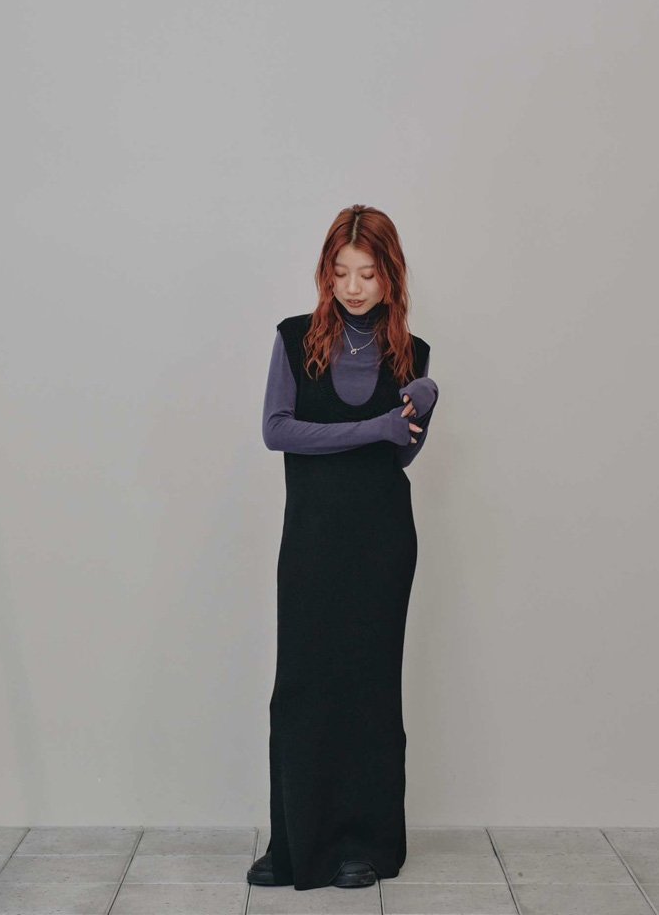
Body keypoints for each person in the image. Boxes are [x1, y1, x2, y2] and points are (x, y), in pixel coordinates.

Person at [248, 204, 439, 891]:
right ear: (326, 274)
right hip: (312, 537)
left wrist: (425, 407)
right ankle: (296, 841)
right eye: (341, 272)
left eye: (368, 273)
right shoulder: (295, 338)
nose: (354, 287)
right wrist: (375, 426)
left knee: (368, 687)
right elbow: (278, 431)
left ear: (391, 276)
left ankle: (363, 843)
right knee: (302, 686)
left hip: (383, 540)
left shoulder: (411, 353)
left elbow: (401, 454)